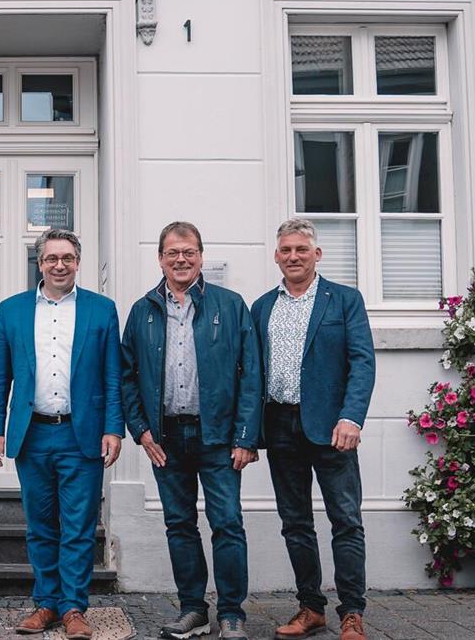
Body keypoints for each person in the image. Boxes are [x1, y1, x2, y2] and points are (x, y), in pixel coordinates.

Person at [120, 221, 261, 640]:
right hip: (166, 439)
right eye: (172, 253)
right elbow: (127, 375)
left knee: (228, 524)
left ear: (200, 255)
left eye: (189, 252)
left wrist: (245, 436)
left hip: (218, 437)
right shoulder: (143, 310)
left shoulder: (230, 305)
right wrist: (141, 431)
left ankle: (232, 612)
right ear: (160, 258)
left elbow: (251, 373)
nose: (181, 260)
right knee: (179, 524)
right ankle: (193, 609)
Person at [0, 229, 124, 640]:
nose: (59, 265)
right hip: (33, 435)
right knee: (41, 525)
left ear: (78, 262)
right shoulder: (13, 310)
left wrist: (114, 428)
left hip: (82, 435)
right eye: (51, 258)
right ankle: (46, 603)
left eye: (67, 258)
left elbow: (113, 375)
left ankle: (74, 608)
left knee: (80, 527)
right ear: (39, 263)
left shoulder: (102, 310)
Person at [251, 218, 376, 640]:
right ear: (276, 256)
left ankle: (353, 613)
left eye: (301, 249)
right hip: (281, 424)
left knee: (346, 520)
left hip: (332, 426)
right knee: (295, 522)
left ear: (316, 254)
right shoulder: (263, 306)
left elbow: (362, 362)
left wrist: (352, 417)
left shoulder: (344, 300)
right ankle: (311, 608)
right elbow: (252, 373)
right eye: (285, 250)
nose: (293, 256)